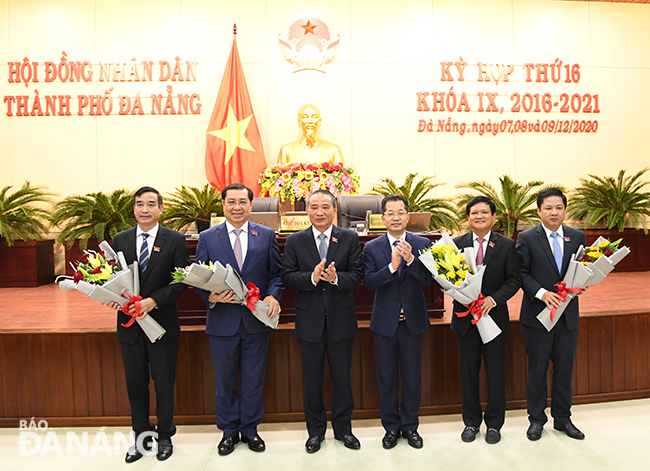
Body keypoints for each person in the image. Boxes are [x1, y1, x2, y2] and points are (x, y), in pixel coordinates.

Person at [195, 183, 283, 455]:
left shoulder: (266, 235)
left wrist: (273, 296)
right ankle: (229, 431)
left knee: (254, 379)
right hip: (223, 321)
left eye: (242, 202)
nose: (236, 207)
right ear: (222, 205)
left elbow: (277, 275)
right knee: (224, 380)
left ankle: (251, 430)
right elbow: (198, 278)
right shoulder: (208, 237)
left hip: (256, 321)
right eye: (231, 202)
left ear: (251, 204)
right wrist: (211, 298)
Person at [109, 186, 190, 463]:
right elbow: (109, 278)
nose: (144, 209)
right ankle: (141, 437)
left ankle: (165, 435)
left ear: (161, 209)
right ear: (133, 209)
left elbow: (181, 281)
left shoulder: (175, 239)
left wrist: (153, 301)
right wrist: (111, 298)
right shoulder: (119, 240)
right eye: (139, 204)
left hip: (162, 323)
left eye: (151, 204)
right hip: (129, 325)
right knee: (136, 383)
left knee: (164, 382)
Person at [281, 189, 364, 453]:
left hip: (341, 319)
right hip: (310, 322)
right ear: (306, 211)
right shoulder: (295, 241)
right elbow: (287, 277)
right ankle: (315, 432)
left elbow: (358, 275)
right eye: (314, 207)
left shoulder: (349, 238)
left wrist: (336, 279)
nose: (320, 212)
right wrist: (313, 277)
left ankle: (343, 430)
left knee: (342, 379)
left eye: (325, 207)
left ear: (335, 209)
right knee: (312, 381)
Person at [363, 195, 434, 449]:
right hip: (385, 324)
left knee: (413, 377)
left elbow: (429, 280)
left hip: (413, 322)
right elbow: (369, 283)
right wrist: (392, 268)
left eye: (400, 212)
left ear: (408, 216)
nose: (395, 217)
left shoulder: (422, 243)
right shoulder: (371, 248)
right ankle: (391, 428)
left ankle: (410, 427)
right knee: (387, 378)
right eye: (390, 213)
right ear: (382, 218)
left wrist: (412, 261)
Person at [517, 188, 587, 441]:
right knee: (537, 370)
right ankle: (536, 420)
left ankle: (563, 418)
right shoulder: (526, 237)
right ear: (539, 210)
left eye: (559, 207)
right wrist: (541, 293)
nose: (554, 212)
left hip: (567, 316)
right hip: (538, 316)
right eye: (548, 207)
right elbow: (521, 274)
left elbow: (584, 267)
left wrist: (584, 282)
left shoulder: (577, 236)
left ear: (565, 210)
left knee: (564, 370)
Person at [452, 196, 521, 444]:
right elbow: (447, 280)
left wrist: (493, 299)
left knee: (495, 373)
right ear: (468, 218)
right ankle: (471, 423)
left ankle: (494, 425)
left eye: (484, 212)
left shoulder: (505, 245)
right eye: (473, 213)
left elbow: (514, 280)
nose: (479, 217)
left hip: (493, 319)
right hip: (465, 319)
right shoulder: (455, 244)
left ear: (493, 216)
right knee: (468, 373)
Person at [277, 104, 345, 164]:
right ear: (299, 121)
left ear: (320, 121)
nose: (310, 121)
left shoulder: (333, 150)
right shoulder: (286, 150)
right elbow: (278, 176)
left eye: (314, 117)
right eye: (305, 117)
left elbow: (343, 176)